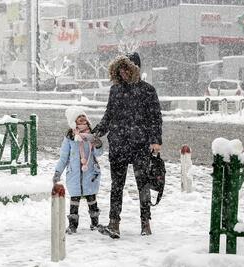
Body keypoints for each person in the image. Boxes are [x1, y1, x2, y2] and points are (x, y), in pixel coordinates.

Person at [93, 52, 163, 238]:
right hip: (118, 144)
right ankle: (114, 223)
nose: (123, 73)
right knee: (117, 185)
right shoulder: (115, 90)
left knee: (143, 185)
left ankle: (145, 222)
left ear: (135, 70)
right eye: (120, 69)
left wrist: (156, 140)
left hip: (141, 145)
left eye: (127, 69)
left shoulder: (148, 90)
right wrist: (97, 132)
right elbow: (109, 116)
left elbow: (155, 118)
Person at [53, 107, 103, 234]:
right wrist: (58, 172)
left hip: (90, 173)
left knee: (92, 198)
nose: (82, 118)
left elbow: (99, 153)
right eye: (78, 117)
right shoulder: (70, 137)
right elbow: (64, 157)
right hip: (74, 174)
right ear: (73, 121)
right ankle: (73, 225)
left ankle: (95, 223)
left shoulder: (91, 135)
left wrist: (97, 144)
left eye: (83, 116)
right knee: (74, 200)